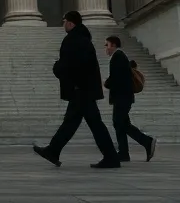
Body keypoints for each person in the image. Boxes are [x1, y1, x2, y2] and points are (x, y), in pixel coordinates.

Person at [33, 10, 120, 169]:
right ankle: (54, 150)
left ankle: (110, 156)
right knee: (76, 122)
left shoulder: (73, 40)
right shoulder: (83, 39)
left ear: (70, 23)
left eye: (64, 21)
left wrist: (57, 67)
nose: (63, 24)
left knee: (86, 123)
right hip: (84, 88)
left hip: (80, 89)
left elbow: (70, 64)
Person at [104, 36, 156, 162]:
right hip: (123, 97)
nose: (106, 48)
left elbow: (116, 77)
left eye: (107, 45)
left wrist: (106, 83)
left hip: (122, 97)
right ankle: (124, 153)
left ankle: (146, 141)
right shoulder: (120, 56)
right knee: (122, 123)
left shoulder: (118, 56)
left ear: (113, 45)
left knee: (119, 122)